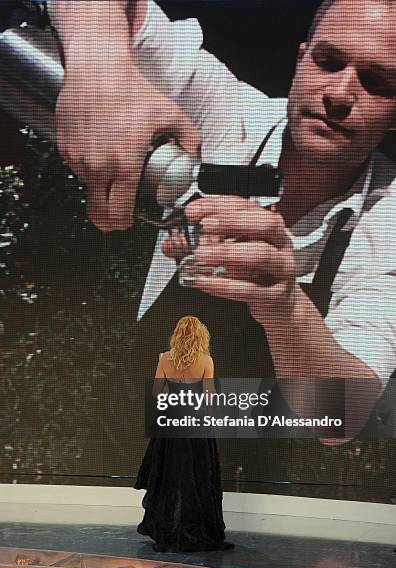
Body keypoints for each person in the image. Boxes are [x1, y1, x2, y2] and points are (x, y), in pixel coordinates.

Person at [46, 0, 396, 441]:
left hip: (261, 488)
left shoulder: (390, 220)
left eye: (377, 82)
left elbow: (343, 414)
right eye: (328, 62)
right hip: (127, 445)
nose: (341, 94)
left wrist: (283, 306)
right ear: (301, 60)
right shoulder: (226, 117)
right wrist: (99, 61)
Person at [134, 315, 234, 552]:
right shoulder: (206, 360)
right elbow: (209, 396)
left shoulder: (165, 359)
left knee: (170, 475)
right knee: (198, 477)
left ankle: (167, 529)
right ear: (200, 335)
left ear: (177, 334)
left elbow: (158, 392)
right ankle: (199, 529)